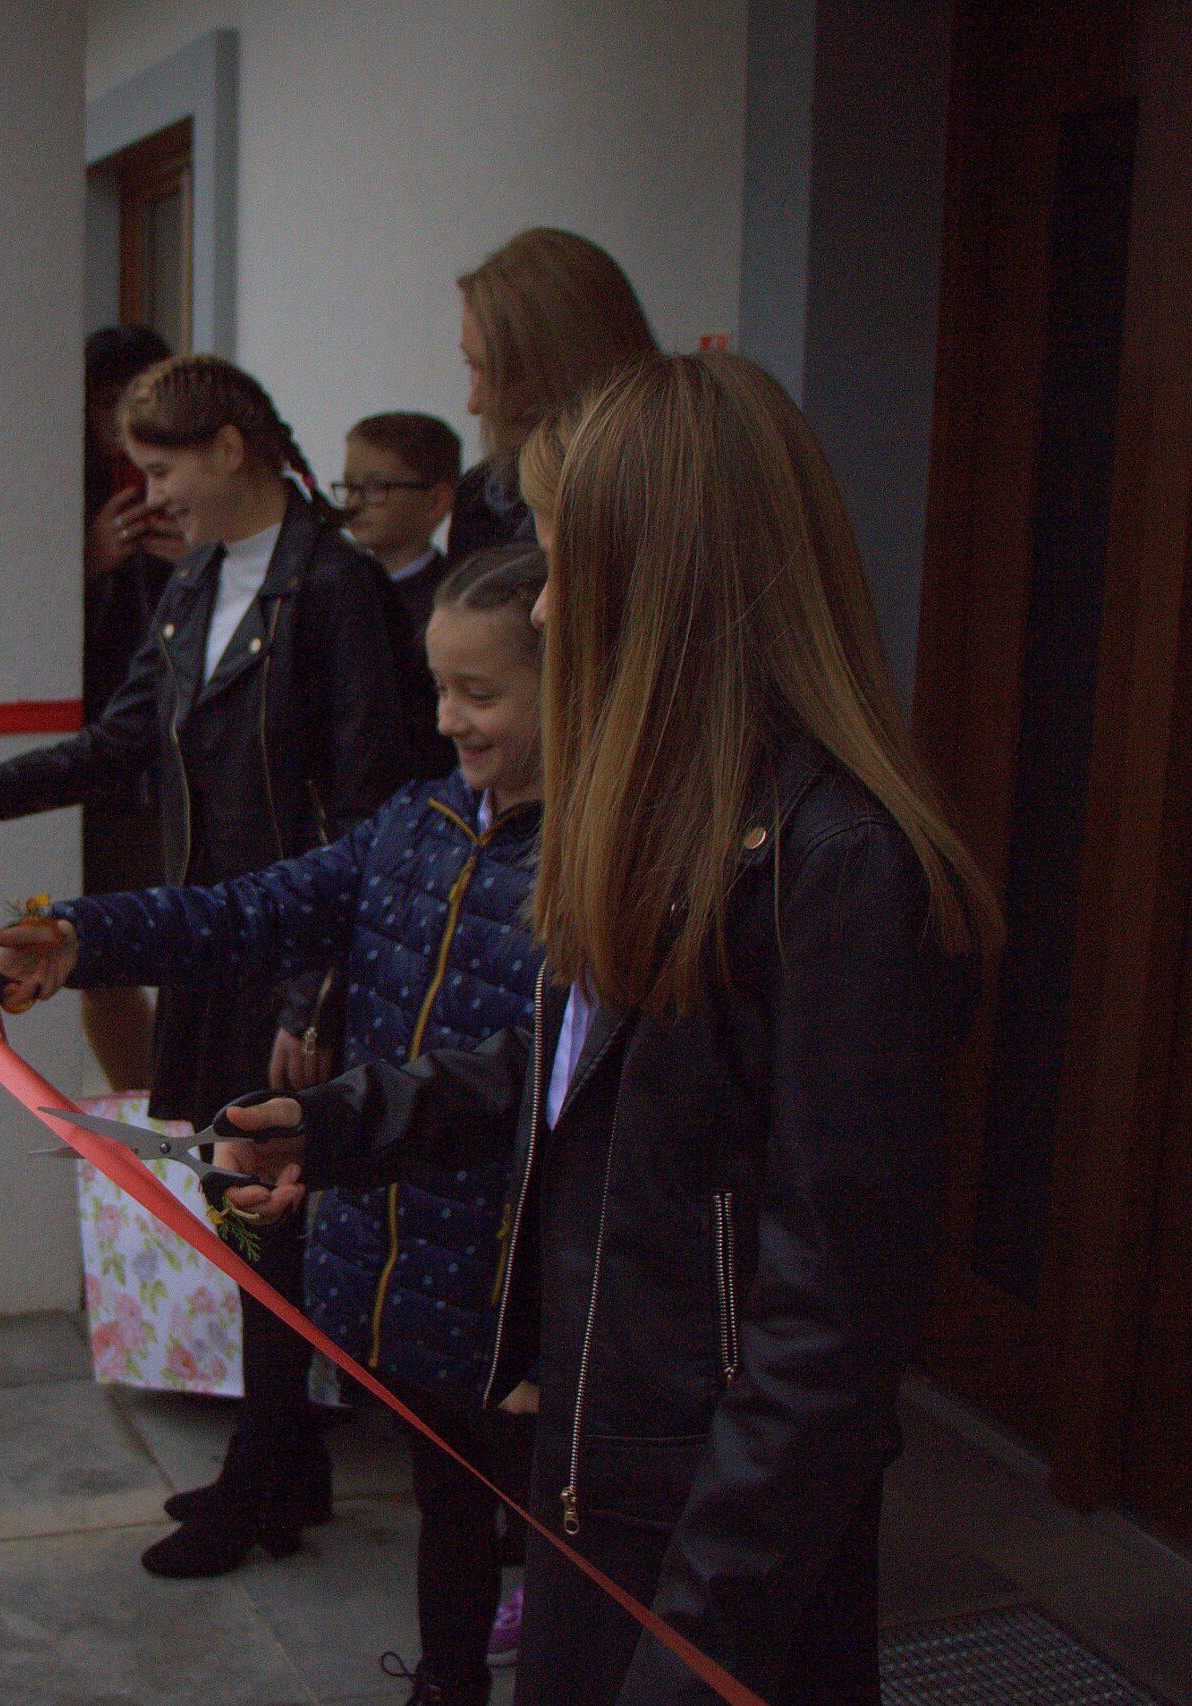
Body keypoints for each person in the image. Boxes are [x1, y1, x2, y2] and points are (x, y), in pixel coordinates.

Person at [217, 352, 1001, 1703]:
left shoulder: (841, 868)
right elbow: (590, 1079)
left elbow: (828, 1330)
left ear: (670, 583)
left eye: (567, 557)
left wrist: (693, 1648)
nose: (554, 598)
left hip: (706, 1554)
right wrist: (344, 1120)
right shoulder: (680, 816)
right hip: (603, 1482)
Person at [0, 353, 437, 1578]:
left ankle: (270, 1463)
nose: (149, 496)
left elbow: (373, 810)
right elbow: (125, 738)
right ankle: (281, 1454)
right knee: (236, 1202)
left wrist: (316, 989)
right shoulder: (199, 576)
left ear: (233, 449)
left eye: (161, 468)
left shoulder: (336, 590)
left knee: (271, 1208)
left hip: (294, 961)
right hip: (215, 943)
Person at [0, 547, 547, 1701]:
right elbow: (254, 907)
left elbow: (534, 1081)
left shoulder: (601, 862)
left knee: (538, 1515)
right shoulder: (417, 818)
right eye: (439, 689)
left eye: (480, 694)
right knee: (447, 1499)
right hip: (405, 1233)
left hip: (521, 1264)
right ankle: (445, 1681)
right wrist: (88, 934)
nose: (448, 719)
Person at [78, 324, 181, 1092]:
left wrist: (202, 557)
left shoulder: (196, 482)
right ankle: (150, 1116)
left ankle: (196, 1104)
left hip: (190, 753)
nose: (119, 421)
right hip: (105, 759)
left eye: (134, 400)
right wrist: (86, 563)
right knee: (102, 954)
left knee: (196, 940)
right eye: (106, 401)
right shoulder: (63, 486)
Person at [448, 228, 657, 565]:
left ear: (559, 369)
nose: (474, 404)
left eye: (492, 371)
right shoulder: (482, 503)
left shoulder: (669, 495)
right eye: (470, 365)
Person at [333, 411, 463, 630]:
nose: (353, 502)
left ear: (435, 502)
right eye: (349, 486)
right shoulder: (339, 586)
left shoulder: (451, 604)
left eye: (377, 487)